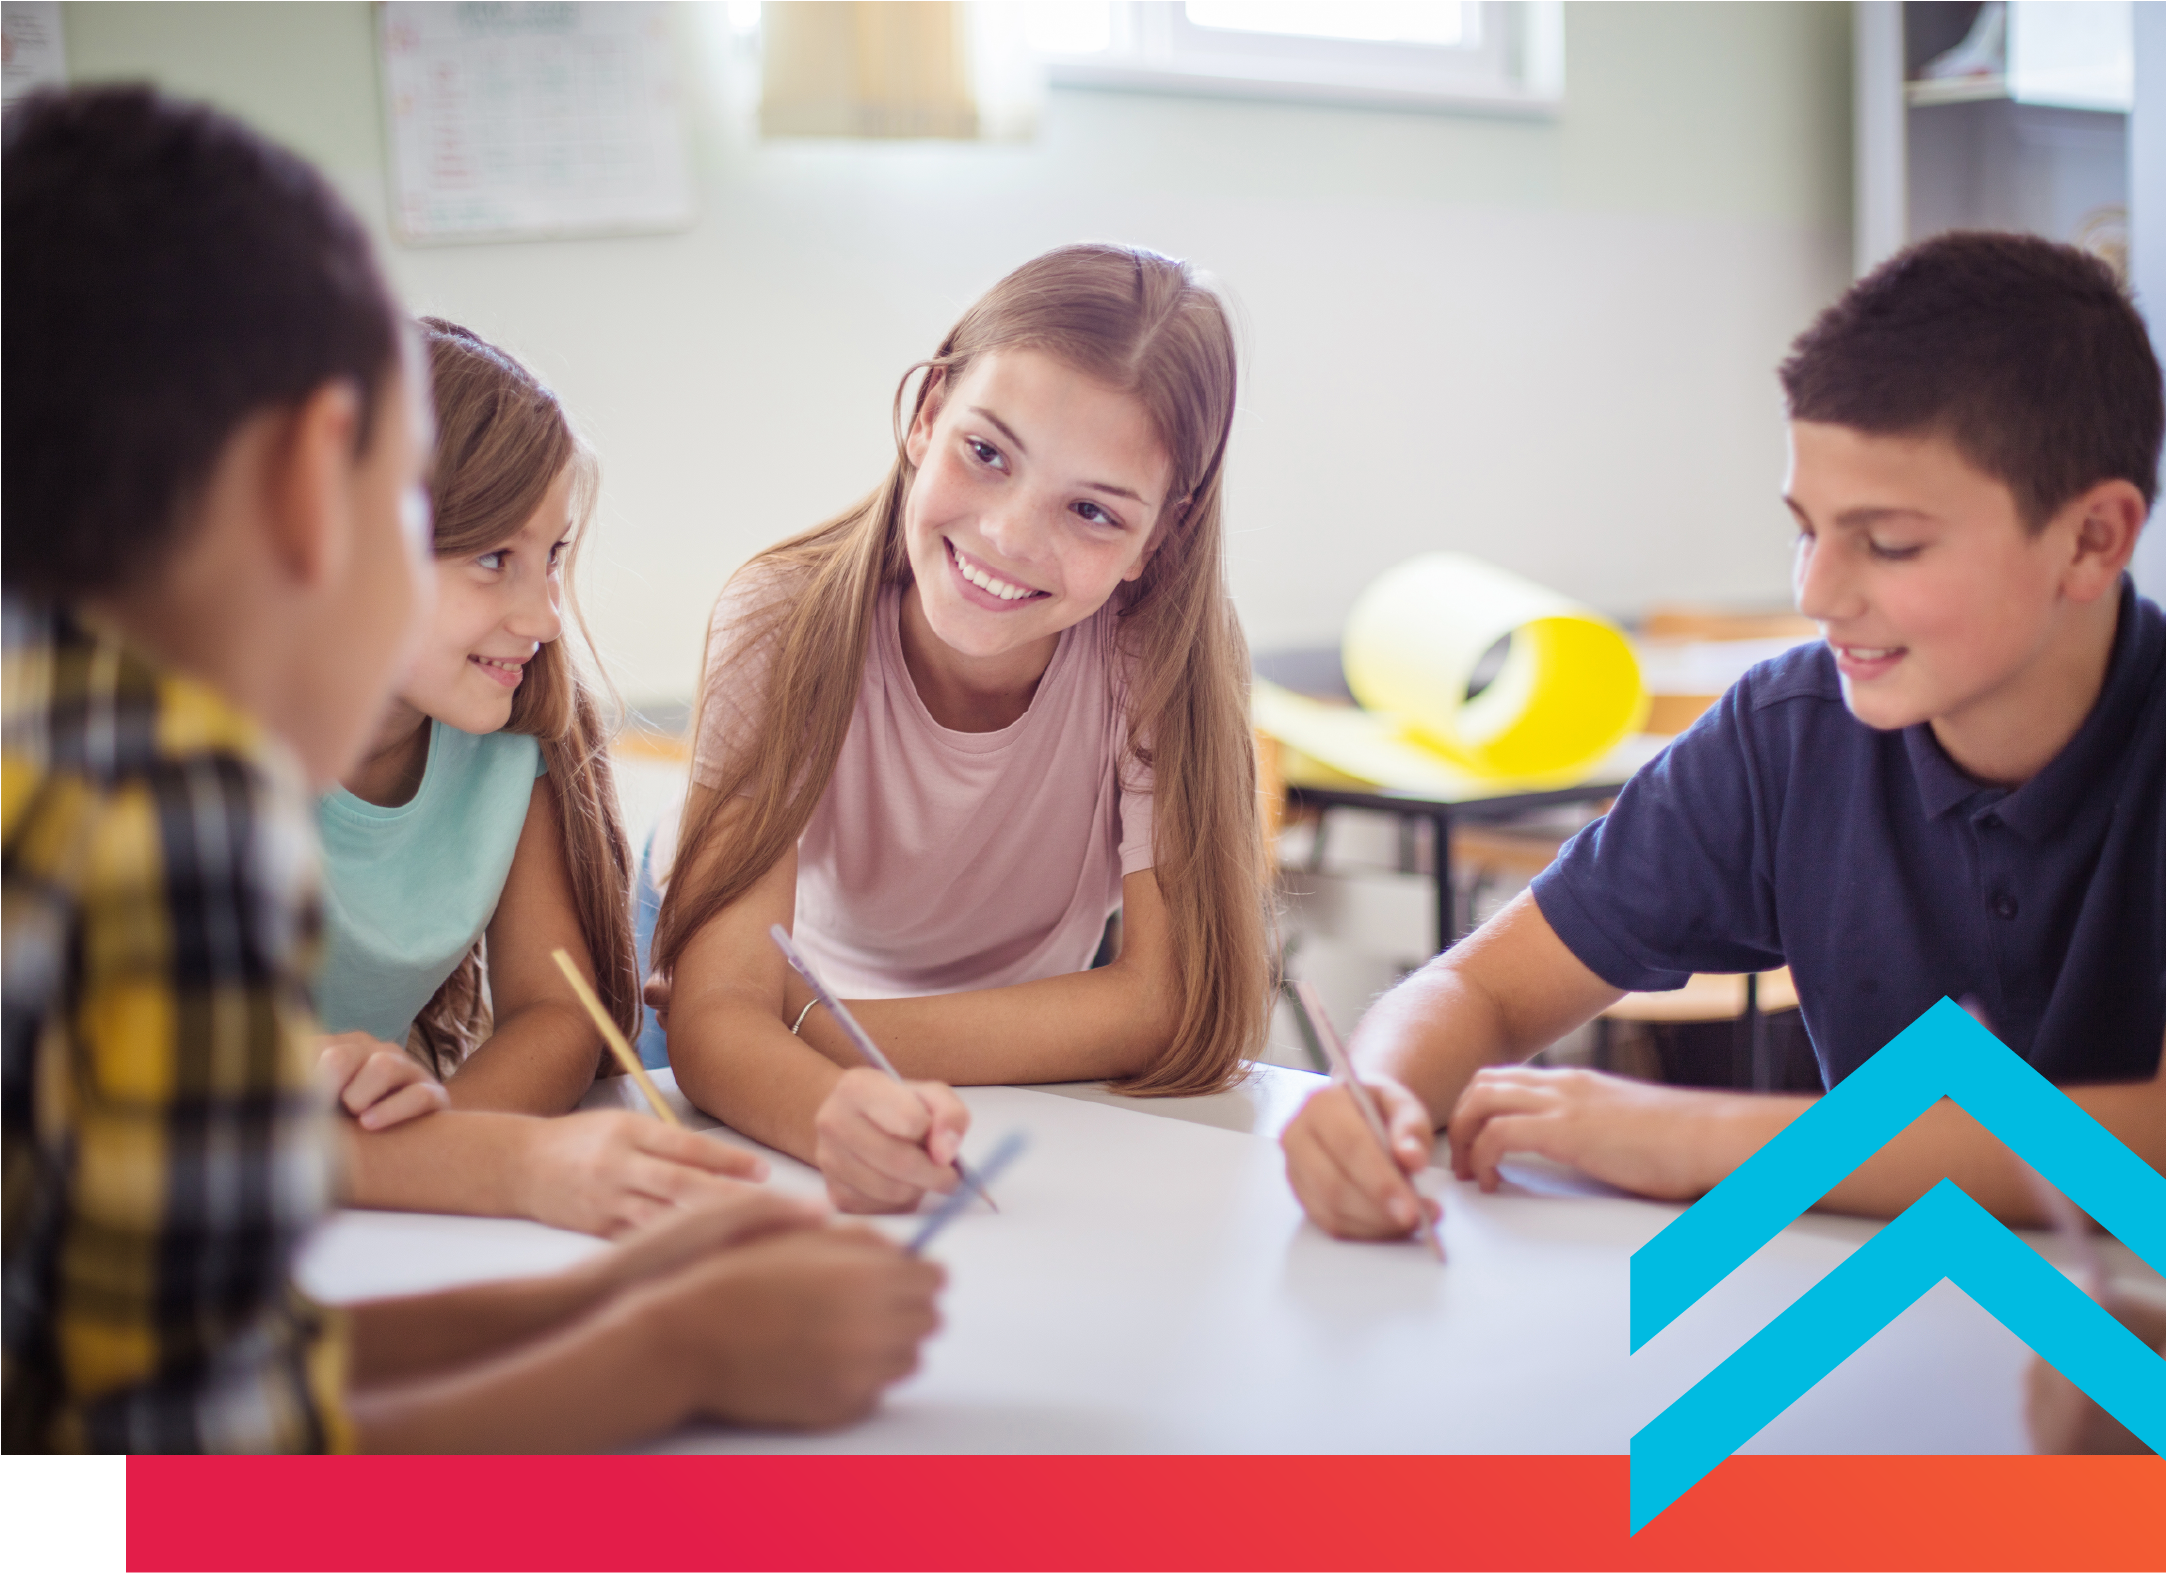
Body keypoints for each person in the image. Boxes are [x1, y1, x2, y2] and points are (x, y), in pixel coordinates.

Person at [3, 85, 938, 1452]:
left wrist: (616, 1295)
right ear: (311, 479)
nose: (541, 611)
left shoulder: (58, 722)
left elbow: (181, 1360)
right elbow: (176, 1489)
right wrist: (668, 1357)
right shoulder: (153, 799)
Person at [1284, 231, 2166, 1238]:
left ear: (2091, 537)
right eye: (1807, 527)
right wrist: (1374, 1094)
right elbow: (1479, 985)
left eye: (1887, 542)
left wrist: (1697, 1135)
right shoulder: (1790, 731)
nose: (1817, 593)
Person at [647, 244, 1272, 1214]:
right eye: (986, 453)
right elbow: (714, 1017)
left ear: (1163, 538)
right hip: (763, 1039)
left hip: (845, 1033)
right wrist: (809, 1077)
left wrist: (812, 1024)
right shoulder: (780, 619)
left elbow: (1171, 1001)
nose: (1009, 538)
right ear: (926, 415)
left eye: (1094, 511)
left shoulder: (1158, 659)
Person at [312, 318, 766, 1237]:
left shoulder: (505, 748)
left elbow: (556, 1014)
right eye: (493, 559)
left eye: (553, 556)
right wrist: (479, 1168)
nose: (547, 615)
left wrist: (433, 1159)